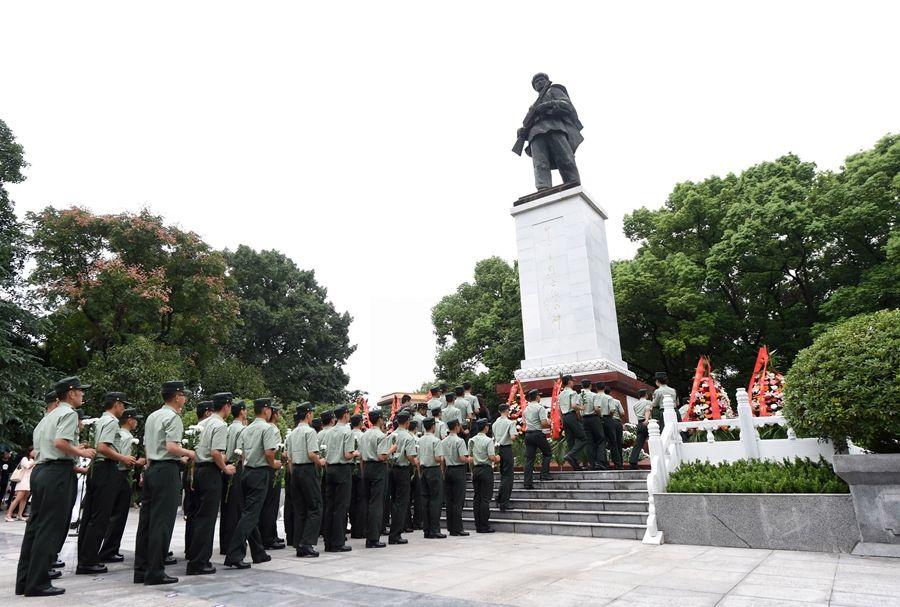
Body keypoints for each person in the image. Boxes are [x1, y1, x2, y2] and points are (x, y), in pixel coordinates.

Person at [16, 376, 96, 597]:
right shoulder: (69, 413)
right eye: (80, 391)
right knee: (50, 529)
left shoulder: (48, 417)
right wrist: (82, 452)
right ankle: (39, 582)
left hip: (41, 472)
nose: (83, 394)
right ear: (70, 393)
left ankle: (25, 580)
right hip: (57, 474)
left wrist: (73, 448)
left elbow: (46, 447)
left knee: (35, 528)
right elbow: (60, 443)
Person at [133, 381, 193, 586]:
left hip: (152, 468)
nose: (185, 398)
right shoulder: (173, 417)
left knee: (146, 522)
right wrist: (189, 453)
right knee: (162, 522)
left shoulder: (153, 416)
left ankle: (141, 569)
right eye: (183, 395)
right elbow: (171, 447)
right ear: (177, 397)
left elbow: (150, 448)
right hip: (166, 471)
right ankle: (155, 571)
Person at [78, 392, 135, 574]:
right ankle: (88, 561)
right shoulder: (111, 422)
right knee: (100, 517)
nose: (124, 409)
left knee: (90, 516)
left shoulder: (100, 421)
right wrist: (123, 458)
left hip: (97, 469)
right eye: (123, 405)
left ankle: (85, 557)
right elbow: (103, 447)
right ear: (116, 404)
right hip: (106, 468)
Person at [224, 398, 280, 569]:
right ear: (265, 410)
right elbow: (269, 452)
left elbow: (240, 453)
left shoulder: (246, 429)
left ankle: (258, 552)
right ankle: (234, 554)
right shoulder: (267, 428)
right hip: (260, 472)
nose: (271, 412)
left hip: (246, 472)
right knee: (250, 516)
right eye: (270, 409)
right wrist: (274, 464)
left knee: (250, 514)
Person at [186, 393, 236, 575]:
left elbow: (193, 450)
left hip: (198, 469)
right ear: (227, 407)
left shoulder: (202, 423)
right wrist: (225, 468)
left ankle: (194, 556)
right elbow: (216, 453)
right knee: (207, 518)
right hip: (210, 471)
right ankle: (199, 562)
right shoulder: (220, 425)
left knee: (199, 516)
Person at [515, 72, 583, 190]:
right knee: (540, 164)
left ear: (547, 81)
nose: (539, 82)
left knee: (565, 158)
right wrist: (521, 131)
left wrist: (548, 104)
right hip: (535, 134)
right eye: (536, 82)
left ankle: (573, 184)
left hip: (554, 127)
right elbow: (527, 124)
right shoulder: (533, 106)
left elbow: (567, 106)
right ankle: (543, 188)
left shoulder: (554, 90)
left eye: (541, 79)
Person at [98, 408, 145, 564]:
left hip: (114, 475)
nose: (136, 422)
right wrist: (138, 462)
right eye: (136, 419)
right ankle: (110, 550)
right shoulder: (127, 437)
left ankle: (108, 549)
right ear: (130, 420)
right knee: (118, 516)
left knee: (112, 514)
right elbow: (124, 459)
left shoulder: (119, 433)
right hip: (121, 475)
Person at [286, 403, 324, 558]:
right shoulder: (310, 431)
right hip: (308, 470)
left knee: (300, 509)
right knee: (315, 507)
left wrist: (293, 472)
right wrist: (320, 462)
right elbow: (312, 454)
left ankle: (299, 544)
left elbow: (289, 457)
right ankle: (307, 543)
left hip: (295, 470)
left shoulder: (292, 434)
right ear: (308, 414)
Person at [322, 405, 358, 552]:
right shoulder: (347, 432)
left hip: (330, 468)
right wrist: (356, 453)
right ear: (346, 415)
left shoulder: (329, 432)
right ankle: (337, 542)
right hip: (342, 470)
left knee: (330, 506)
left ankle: (328, 541)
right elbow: (347, 455)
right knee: (341, 507)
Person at [359, 410, 395, 548]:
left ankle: (368, 533)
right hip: (378, 468)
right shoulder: (381, 435)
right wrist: (392, 449)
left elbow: (361, 456)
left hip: (367, 467)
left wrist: (363, 472)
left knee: (368, 502)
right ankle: (373, 538)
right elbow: (382, 456)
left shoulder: (364, 434)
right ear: (379, 419)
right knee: (377, 503)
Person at [183, 400, 212, 561]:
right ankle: (196, 551)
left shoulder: (192, 431)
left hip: (191, 473)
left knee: (192, 512)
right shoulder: (207, 429)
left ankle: (190, 548)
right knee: (200, 513)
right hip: (200, 472)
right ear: (208, 412)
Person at [219, 400, 247, 556]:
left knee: (226, 508)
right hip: (236, 467)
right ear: (242, 412)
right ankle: (233, 544)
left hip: (225, 465)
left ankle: (225, 543)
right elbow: (242, 452)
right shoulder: (242, 429)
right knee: (236, 509)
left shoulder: (228, 427)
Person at [388, 412, 417, 545]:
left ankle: (393, 532)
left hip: (391, 469)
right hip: (403, 470)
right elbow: (410, 456)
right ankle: (395, 534)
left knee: (394, 501)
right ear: (408, 422)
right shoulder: (408, 437)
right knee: (401, 502)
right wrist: (416, 462)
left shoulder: (391, 435)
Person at [259, 405, 285, 551]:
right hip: (271, 467)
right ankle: (268, 538)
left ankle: (271, 534)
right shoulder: (272, 429)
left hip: (267, 467)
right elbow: (272, 450)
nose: (279, 415)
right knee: (271, 505)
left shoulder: (267, 427)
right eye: (278, 412)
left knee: (269, 505)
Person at [441, 420, 471, 537]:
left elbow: (442, 459)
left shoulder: (443, 441)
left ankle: (451, 527)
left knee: (449, 500)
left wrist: (443, 471)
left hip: (448, 470)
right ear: (457, 427)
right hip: (458, 470)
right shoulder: (460, 441)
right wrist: (470, 460)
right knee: (458, 500)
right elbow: (462, 457)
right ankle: (458, 528)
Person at [469, 419, 499, 533]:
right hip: (486, 470)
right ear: (486, 427)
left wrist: (472, 471)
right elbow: (491, 457)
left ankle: (478, 524)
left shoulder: (472, 440)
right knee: (485, 499)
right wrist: (498, 458)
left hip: (476, 469)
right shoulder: (488, 440)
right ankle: (485, 525)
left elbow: (470, 458)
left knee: (477, 498)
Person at [418, 418, 445, 538]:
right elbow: (438, 458)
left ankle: (427, 530)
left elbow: (417, 459)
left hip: (423, 470)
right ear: (433, 426)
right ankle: (435, 529)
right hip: (434, 470)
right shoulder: (436, 440)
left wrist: (419, 473)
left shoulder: (420, 440)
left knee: (425, 501)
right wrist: (443, 459)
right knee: (435, 500)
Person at [522, 388, 552, 489]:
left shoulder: (526, 409)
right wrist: (548, 422)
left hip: (528, 435)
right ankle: (544, 474)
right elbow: (543, 423)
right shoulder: (540, 408)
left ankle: (527, 483)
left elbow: (525, 422)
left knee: (529, 459)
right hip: (537, 434)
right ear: (538, 397)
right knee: (547, 453)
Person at [491, 404, 517, 511]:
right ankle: (504, 502)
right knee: (508, 476)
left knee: (503, 475)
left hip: (498, 449)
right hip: (506, 449)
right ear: (507, 411)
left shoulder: (494, 424)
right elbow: (513, 437)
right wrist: (516, 435)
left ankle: (500, 496)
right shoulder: (510, 423)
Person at [558, 375, 587, 470]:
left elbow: (559, 410)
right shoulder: (573, 393)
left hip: (565, 418)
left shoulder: (560, 394)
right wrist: (582, 408)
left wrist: (562, 420)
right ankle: (570, 455)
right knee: (583, 438)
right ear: (569, 382)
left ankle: (575, 466)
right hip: (572, 416)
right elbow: (574, 406)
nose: (573, 383)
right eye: (572, 381)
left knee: (570, 441)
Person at [580, 379, 608, 471]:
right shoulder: (594, 395)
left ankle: (591, 464)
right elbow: (597, 408)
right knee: (600, 439)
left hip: (584, 419)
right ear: (590, 386)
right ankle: (599, 462)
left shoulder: (579, 395)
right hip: (594, 418)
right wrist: (600, 416)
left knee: (589, 442)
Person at [348, 413, 366, 539]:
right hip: (359, 468)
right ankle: (358, 529)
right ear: (360, 423)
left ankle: (351, 525)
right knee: (360, 500)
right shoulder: (362, 436)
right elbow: (364, 455)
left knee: (350, 500)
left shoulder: (348, 434)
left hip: (348, 468)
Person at [5, 449, 33, 522]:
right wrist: (35, 462)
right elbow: (27, 466)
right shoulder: (24, 458)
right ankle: (8, 514)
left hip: (29, 481)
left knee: (24, 498)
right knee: (18, 498)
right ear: (29, 452)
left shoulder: (33, 460)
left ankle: (19, 514)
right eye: (34, 451)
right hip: (23, 481)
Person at [629, 389, 652, 469]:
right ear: (646, 395)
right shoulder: (649, 402)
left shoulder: (635, 405)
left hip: (640, 424)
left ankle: (633, 462)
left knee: (638, 444)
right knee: (653, 441)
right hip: (649, 423)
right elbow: (649, 411)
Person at [606, 386, 625, 469]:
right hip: (617, 423)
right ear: (610, 392)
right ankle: (619, 463)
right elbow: (622, 413)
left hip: (606, 422)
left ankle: (607, 463)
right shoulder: (616, 401)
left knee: (609, 443)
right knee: (617, 443)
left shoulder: (599, 400)